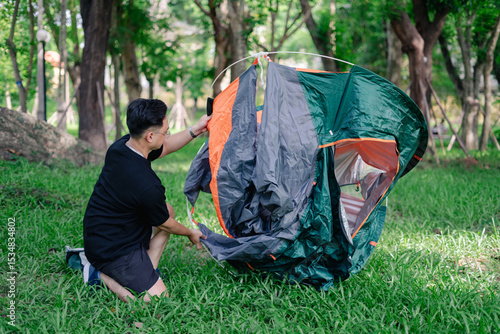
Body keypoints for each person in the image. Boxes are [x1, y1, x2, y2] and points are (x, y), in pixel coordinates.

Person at [83, 98, 210, 302]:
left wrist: (195, 130)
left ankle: (148, 271)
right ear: (150, 136)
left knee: (167, 210)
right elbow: (165, 225)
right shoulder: (147, 184)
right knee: (157, 300)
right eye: (166, 131)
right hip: (111, 250)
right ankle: (100, 275)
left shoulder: (121, 147)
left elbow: (165, 146)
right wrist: (190, 233)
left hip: (104, 231)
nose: (167, 135)